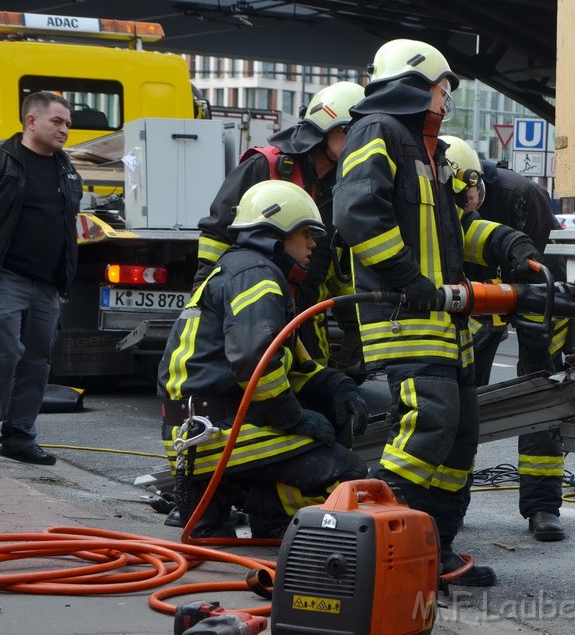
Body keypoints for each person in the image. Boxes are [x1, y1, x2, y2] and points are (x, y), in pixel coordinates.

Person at [334, 39, 541, 586]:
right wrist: (411, 282)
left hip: (444, 324)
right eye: (442, 89)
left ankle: (434, 553)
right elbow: (357, 217)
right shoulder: (376, 131)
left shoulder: (429, 151)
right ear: (414, 83)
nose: (446, 101)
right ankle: (375, 543)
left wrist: (511, 247)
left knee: (459, 436)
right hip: (405, 316)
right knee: (430, 425)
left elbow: (454, 233)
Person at [157, 180, 367, 538]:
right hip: (215, 431)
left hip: (199, 427)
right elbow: (255, 362)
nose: (313, 243)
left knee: (323, 430)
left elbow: (293, 364)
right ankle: (243, 500)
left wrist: (338, 386)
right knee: (349, 477)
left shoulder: (243, 270)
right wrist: (295, 419)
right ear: (276, 232)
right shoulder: (257, 276)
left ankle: (223, 499)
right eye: (305, 233)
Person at [442, 135, 575, 542]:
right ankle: (451, 506)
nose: (465, 207)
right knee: (460, 402)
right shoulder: (436, 204)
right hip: (474, 304)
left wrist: (543, 330)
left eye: (469, 197)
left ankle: (542, 507)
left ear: (477, 182)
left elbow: (545, 272)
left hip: (536, 297)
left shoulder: (520, 196)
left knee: (540, 393)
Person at [196, 81, 366, 397]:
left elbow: (340, 269)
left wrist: (354, 333)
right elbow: (217, 233)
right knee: (254, 395)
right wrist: (206, 298)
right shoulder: (267, 166)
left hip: (307, 319)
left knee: (314, 401)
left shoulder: (344, 184)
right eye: (353, 134)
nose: (361, 146)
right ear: (327, 127)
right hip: (254, 311)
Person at [0, 91, 82, 466]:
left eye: (67, 122)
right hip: (7, 276)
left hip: (48, 284)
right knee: (5, 352)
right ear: (30, 121)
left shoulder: (67, 170)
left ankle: (19, 437)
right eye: (57, 121)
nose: (65, 129)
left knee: (37, 362)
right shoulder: (4, 160)